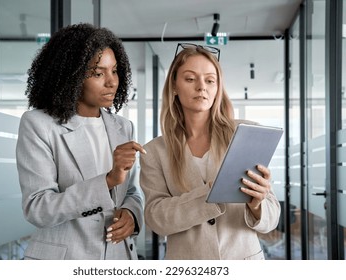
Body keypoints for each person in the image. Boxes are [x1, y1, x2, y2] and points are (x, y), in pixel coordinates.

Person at [16, 23, 146, 260]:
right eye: (98, 73)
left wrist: (131, 213)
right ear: (70, 77)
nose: (111, 82)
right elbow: (38, 208)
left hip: (118, 258)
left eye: (114, 70)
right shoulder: (38, 125)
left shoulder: (123, 127)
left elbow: (133, 192)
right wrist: (107, 181)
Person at [139, 43, 280, 260]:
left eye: (210, 80)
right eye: (190, 78)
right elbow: (156, 219)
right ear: (174, 86)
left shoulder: (245, 134)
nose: (201, 87)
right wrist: (210, 195)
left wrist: (258, 204)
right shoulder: (154, 151)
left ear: (217, 89)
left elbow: (271, 219)